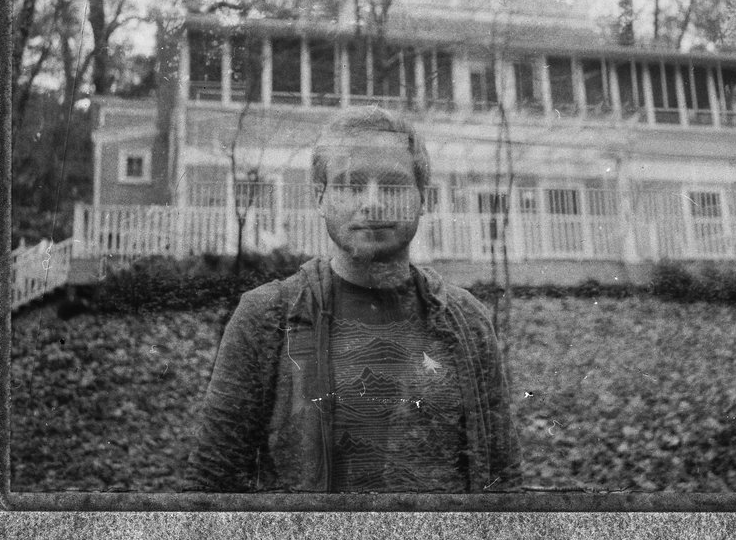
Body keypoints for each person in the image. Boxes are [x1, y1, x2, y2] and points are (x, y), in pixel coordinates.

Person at [188, 107, 521, 493]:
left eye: (393, 186)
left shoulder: (466, 320)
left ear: (422, 199)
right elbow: (212, 482)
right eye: (350, 185)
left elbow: (502, 478)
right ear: (320, 198)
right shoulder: (267, 317)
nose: (373, 202)